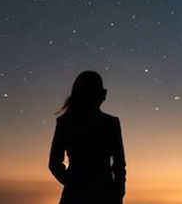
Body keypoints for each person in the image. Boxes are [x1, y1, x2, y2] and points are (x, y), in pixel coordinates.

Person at [49, 71, 126, 204]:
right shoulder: (110, 123)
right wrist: (118, 192)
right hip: (101, 193)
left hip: (80, 195)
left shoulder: (65, 122)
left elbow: (54, 164)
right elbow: (119, 165)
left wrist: (73, 183)